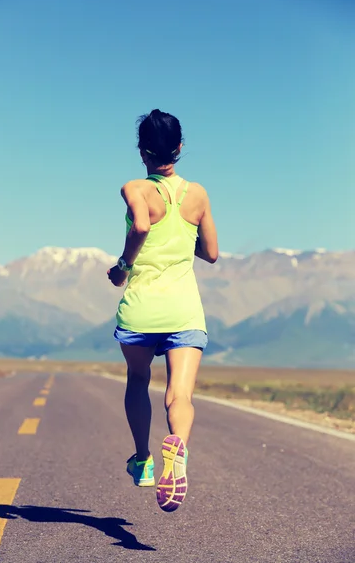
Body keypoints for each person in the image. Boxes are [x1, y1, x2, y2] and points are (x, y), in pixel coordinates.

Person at [107, 109, 218, 512]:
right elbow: (211, 253)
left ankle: (144, 461)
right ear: (180, 147)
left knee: (138, 380)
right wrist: (181, 236)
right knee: (180, 394)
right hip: (184, 310)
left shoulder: (135, 188)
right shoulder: (199, 195)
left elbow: (140, 227)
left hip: (141, 310)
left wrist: (122, 268)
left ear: (142, 151)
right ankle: (179, 449)